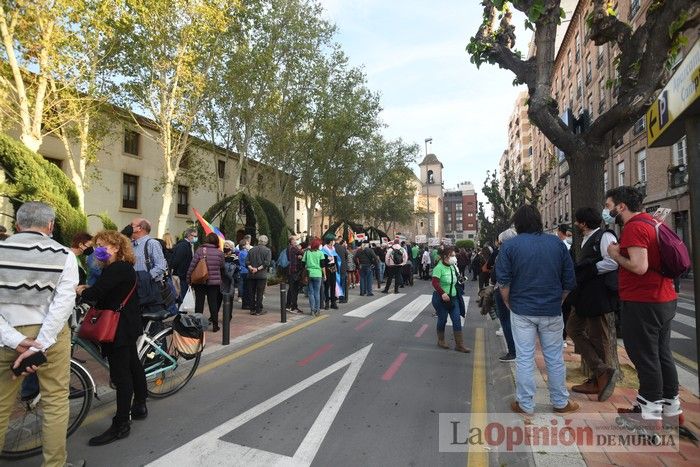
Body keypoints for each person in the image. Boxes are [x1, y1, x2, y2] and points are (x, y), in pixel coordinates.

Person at [0, 201, 81, 466]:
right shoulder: (65, 255)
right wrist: (40, 344)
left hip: (5, 335)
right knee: (55, 401)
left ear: (17, 224)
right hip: (50, 336)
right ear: (50, 226)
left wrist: (14, 339)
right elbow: (63, 303)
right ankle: (54, 464)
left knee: (1, 405)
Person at [605, 186, 681, 423]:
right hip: (664, 298)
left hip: (643, 301)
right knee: (662, 354)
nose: (607, 212)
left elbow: (639, 266)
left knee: (645, 356)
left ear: (621, 207)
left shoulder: (635, 227)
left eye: (608, 207)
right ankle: (672, 410)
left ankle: (648, 415)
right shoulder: (651, 222)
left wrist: (614, 254)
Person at [496, 204, 578, 415]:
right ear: (539, 221)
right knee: (554, 356)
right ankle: (561, 402)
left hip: (522, 309)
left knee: (524, 357)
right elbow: (569, 280)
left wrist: (507, 302)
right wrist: (559, 300)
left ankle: (525, 404)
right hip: (551, 309)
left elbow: (503, 282)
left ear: (518, 224)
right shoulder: (557, 244)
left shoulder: (510, 246)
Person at [76, 230, 147, 446]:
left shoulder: (117, 268)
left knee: (121, 375)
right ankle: (140, 404)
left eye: (103, 245)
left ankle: (121, 424)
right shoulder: (120, 268)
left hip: (119, 328)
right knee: (133, 364)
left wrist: (80, 291)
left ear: (116, 247)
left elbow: (97, 294)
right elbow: (107, 291)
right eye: (97, 244)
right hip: (126, 324)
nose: (99, 248)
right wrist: (91, 289)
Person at [567, 207, 619, 401]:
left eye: (578, 221)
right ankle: (602, 370)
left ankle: (601, 380)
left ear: (585, 222)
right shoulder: (587, 239)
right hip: (584, 295)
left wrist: (589, 269)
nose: (576, 225)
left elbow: (613, 262)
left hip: (597, 295)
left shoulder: (604, 236)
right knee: (573, 328)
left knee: (599, 337)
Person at [431, 247, 470, 353]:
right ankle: (441, 340)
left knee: (457, 320)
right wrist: (442, 293)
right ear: (445, 257)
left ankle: (459, 345)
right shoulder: (438, 268)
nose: (454, 258)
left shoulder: (453, 267)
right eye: (452, 256)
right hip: (441, 299)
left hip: (453, 298)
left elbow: (456, 279)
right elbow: (435, 282)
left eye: (454, 255)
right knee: (442, 320)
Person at [186, 233, 225, 330]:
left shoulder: (200, 251)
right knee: (213, 303)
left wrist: (188, 278)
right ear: (216, 241)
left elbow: (192, 266)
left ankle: (198, 325)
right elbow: (221, 266)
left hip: (200, 281)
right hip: (214, 282)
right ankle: (215, 325)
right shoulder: (220, 253)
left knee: (199, 303)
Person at [130, 218, 168, 312]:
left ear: (139, 228)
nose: (129, 228)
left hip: (149, 287)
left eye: (131, 225)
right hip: (135, 287)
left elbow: (161, 265)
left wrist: (146, 277)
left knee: (152, 321)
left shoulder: (152, 243)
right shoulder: (131, 245)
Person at [493, 228, 517, 362]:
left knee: (506, 321)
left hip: (503, 291)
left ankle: (512, 351)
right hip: (518, 290)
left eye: (500, 242)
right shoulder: (520, 253)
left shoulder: (502, 254)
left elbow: (500, 276)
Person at [246, 235, 272, 315]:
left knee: (251, 292)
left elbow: (247, 262)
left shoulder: (251, 250)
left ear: (258, 241)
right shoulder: (267, 251)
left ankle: (252, 309)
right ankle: (258, 310)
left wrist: (252, 268)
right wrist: (257, 269)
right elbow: (266, 263)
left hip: (251, 274)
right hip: (261, 275)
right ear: (266, 242)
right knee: (260, 293)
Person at [302, 237, 327, 316]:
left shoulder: (307, 253)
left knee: (310, 293)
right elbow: (323, 266)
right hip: (318, 274)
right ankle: (318, 310)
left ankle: (312, 310)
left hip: (309, 274)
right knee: (317, 293)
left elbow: (303, 264)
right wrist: (325, 275)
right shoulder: (320, 253)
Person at [171, 228, 197, 304]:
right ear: (189, 235)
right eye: (194, 236)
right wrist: (178, 272)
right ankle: (181, 313)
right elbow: (177, 260)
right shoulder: (183, 245)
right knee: (181, 295)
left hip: (183, 274)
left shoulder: (188, 245)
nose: (195, 238)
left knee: (182, 295)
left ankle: (181, 313)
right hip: (181, 275)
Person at [321, 235, 341, 309]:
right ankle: (326, 302)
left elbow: (336, 260)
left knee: (333, 285)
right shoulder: (323, 250)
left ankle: (333, 302)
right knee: (327, 286)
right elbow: (322, 261)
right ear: (330, 241)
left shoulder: (333, 249)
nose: (334, 242)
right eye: (333, 240)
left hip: (333, 267)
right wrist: (327, 260)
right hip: (326, 268)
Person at [285, 235, 303, 313]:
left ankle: (288, 305)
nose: (296, 241)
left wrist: (298, 256)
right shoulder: (293, 248)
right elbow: (302, 252)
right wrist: (300, 253)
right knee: (294, 289)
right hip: (294, 271)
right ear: (291, 241)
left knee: (291, 289)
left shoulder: (288, 248)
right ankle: (293, 307)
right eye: (295, 240)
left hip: (291, 270)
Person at [335, 237, 349, 303]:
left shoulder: (331, 248)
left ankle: (335, 296)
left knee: (336, 283)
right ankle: (343, 298)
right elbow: (346, 257)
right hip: (343, 268)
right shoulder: (343, 248)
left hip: (334, 268)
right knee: (343, 284)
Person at [238, 239, 251, 308]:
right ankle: (246, 304)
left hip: (243, 271)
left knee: (245, 288)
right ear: (243, 246)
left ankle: (245, 303)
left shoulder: (242, 252)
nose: (249, 245)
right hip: (245, 271)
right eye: (247, 244)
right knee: (246, 288)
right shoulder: (244, 253)